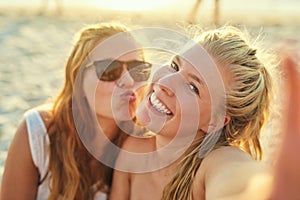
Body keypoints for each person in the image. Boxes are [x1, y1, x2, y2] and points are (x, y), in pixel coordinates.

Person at [110, 25, 277, 200]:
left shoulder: (212, 164)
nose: (165, 82)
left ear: (215, 122)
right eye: (174, 66)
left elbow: (236, 177)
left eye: (192, 87)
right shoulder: (133, 151)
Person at [0, 22, 151, 200]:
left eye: (138, 70)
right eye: (110, 69)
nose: (128, 81)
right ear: (78, 79)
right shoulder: (39, 132)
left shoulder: (146, 146)